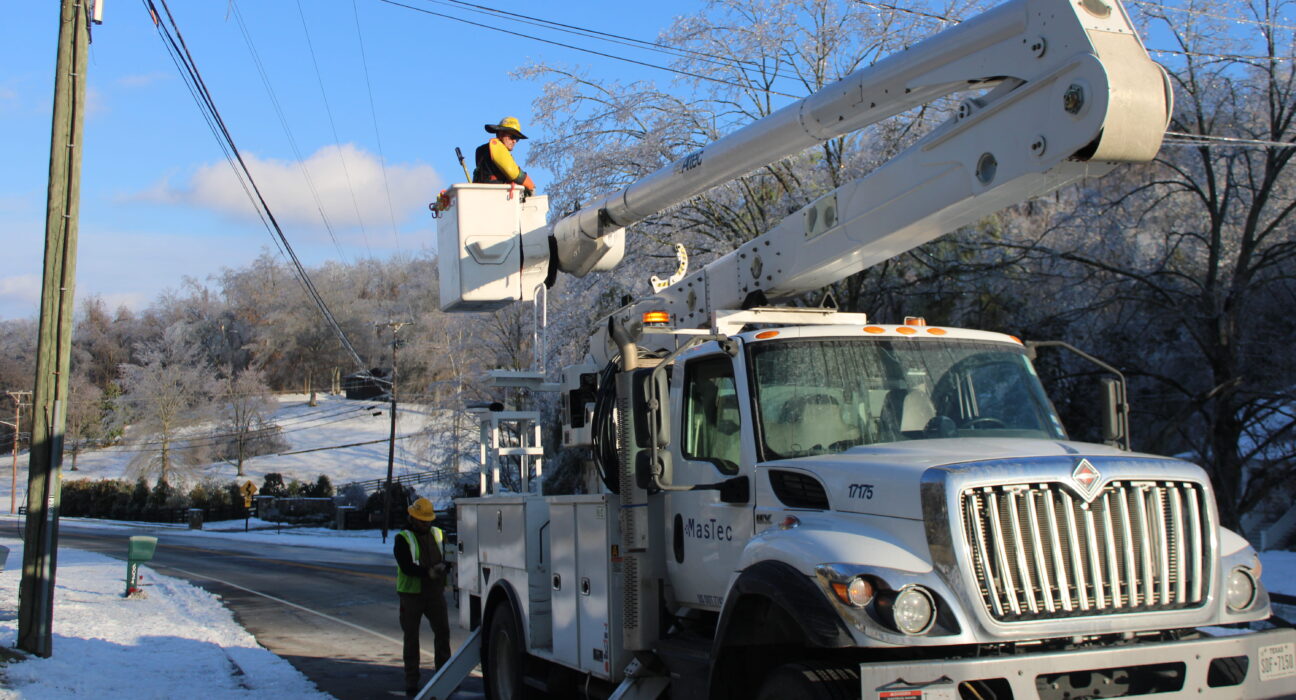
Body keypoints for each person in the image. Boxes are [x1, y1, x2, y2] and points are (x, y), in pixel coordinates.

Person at [394, 497, 451, 697]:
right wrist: (428, 572)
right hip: (411, 595)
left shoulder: (439, 534)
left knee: (443, 634)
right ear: (412, 518)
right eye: (422, 520)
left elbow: (450, 557)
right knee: (411, 639)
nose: (425, 524)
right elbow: (406, 566)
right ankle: (411, 681)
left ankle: (444, 678)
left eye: (428, 521)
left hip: (435, 593)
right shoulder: (403, 538)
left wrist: (444, 567)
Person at [473, 116, 536, 194]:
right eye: (512, 137)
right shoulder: (496, 146)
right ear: (500, 134)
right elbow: (513, 172)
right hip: (495, 195)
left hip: (483, 193)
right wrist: (531, 186)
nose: (514, 141)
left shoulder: (482, 149)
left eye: (517, 139)